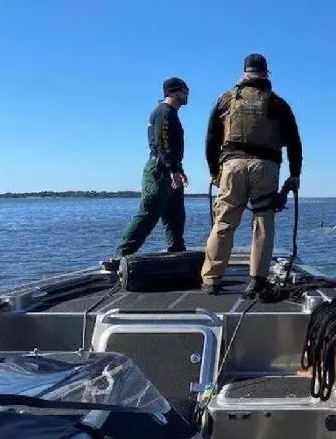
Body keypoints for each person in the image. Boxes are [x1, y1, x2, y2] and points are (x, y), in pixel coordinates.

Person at [201, 53, 303, 297]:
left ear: (244, 73)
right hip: (265, 168)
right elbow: (295, 143)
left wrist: (214, 171)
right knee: (262, 223)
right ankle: (256, 280)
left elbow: (211, 140)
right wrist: (295, 175)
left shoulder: (226, 100)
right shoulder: (278, 104)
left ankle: (212, 280)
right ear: (266, 74)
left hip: (232, 166)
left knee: (224, 222)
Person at [103, 77, 189, 270]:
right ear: (174, 92)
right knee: (149, 213)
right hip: (159, 171)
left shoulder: (169, 113)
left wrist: (179, 170)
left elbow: (169, 147)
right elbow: (163, 143)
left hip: (169, 168)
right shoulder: (164, 113)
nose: (187, 95)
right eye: (184, 91)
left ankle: (177, 251)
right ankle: (120, 256)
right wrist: (173, 170)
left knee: (175, 214)